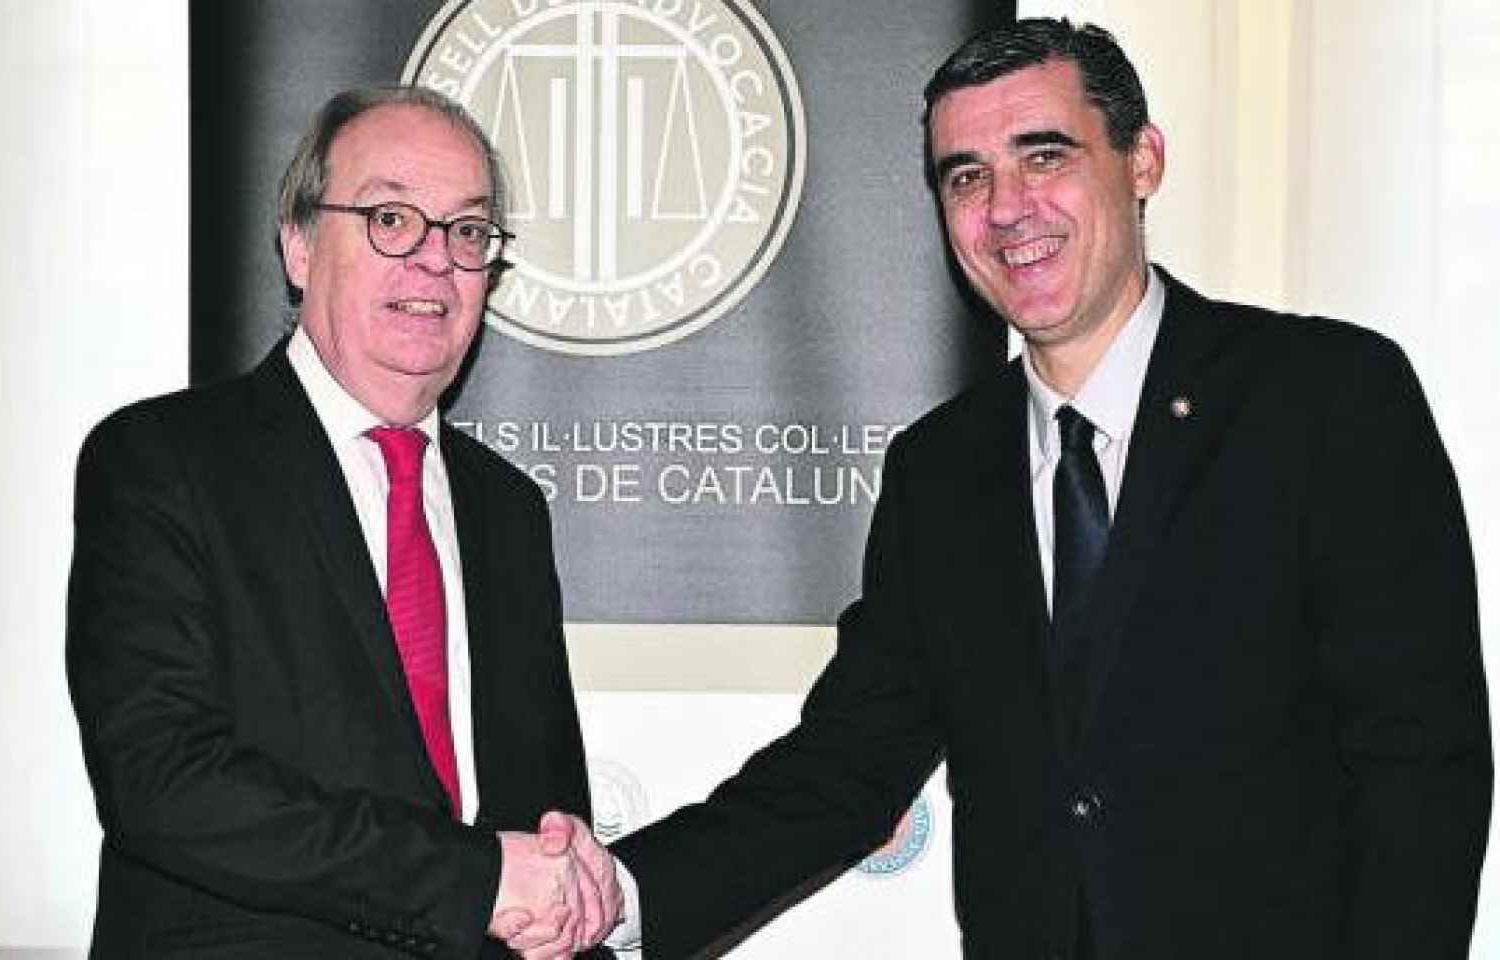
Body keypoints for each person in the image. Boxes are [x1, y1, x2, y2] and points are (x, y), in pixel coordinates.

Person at [600, 18, 1492, 959]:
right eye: (967, 176)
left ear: (1142, 159)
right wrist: (621, 893)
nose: (1007, 208)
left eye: (1045, 155)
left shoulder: (1323, 398)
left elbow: (1422, 763)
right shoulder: (936, 475)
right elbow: (847, 767)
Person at [67, 85, 620, 959]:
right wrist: (471, 879)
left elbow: (542, 816)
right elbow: (163, 781)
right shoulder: (161, 463)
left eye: (468, 233)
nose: (436, 261)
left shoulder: (510, 511)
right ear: (297, 245)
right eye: (391, 219)